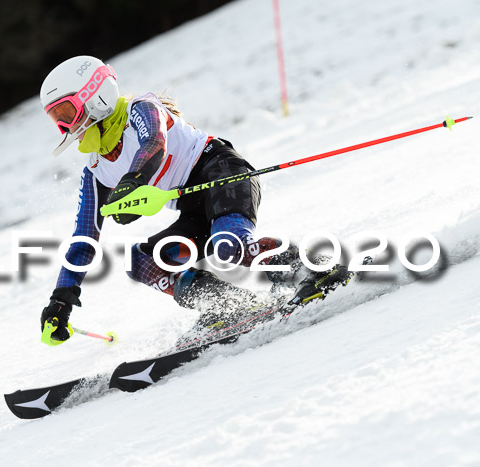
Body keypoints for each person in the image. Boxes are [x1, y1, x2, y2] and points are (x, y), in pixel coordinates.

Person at [38, 55, 348, 344]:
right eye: (56, 119)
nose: (66, 127)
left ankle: (313, 270)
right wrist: (62, 298)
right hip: (193, 204)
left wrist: (134, 181)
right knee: (143, 260)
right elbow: (84, 238)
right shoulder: (96, 170)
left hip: (222, 171)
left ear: (96, 95)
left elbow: (154, 144)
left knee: (229, 245)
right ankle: (228, 306)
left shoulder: (140, 110)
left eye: (67, 113)